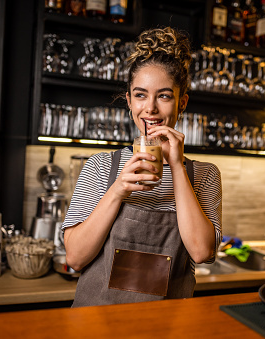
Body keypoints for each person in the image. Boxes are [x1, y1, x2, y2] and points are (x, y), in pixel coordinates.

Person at [62, 27, 223, 307]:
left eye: (163, 96)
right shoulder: (100, 167)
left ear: (181, 102)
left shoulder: (205, 175)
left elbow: (201, 251)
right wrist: (118, 190)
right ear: (129, 101)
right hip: (95, 326)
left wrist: (176, 166)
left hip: (166, 326)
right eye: (140, 95)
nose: (150, 108)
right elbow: (75, 258)